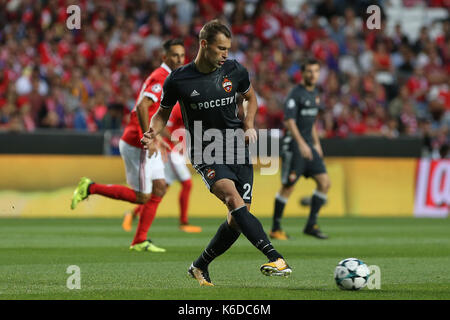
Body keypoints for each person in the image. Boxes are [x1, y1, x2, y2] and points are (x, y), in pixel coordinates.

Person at [141, 20, 292, 287]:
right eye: (220, 48)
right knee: (234, 200)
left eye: (228, 49)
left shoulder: (235, 70)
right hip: (205, 149)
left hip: (237, 147)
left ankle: (199, 266)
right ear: (204, 45)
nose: (225, 54)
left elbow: (251, 97)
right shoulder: (179, 79)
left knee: (236, 219)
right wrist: (153, 132)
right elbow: (161, 114)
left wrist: (249, 125)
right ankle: (276, 257)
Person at [70, 39, 186, 252]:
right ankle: (90, 187)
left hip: (145, 139)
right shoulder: (161, 78)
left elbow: (150, 112)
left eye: (182, 55)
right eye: (175, 55)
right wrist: (148, 137)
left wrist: (158, 136)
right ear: (165, 57)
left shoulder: (170, 78)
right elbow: (142, 107)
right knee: (142, 196)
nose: (179, 59)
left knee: (159, 188)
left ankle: (140, 239)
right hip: (137, 143)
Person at [270, 58, 331, 240]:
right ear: (302, 74)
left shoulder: (315, 94)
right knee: (288, 187)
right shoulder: (295, 94)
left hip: (308, 146)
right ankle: (276, 228)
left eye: (316, 71)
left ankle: (311, 225)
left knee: (325, 182)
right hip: (294, 147)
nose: (313, 75)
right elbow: (289, 121)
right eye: (309, 71)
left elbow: (311, 122)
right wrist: (302, 144)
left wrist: (316, 144)